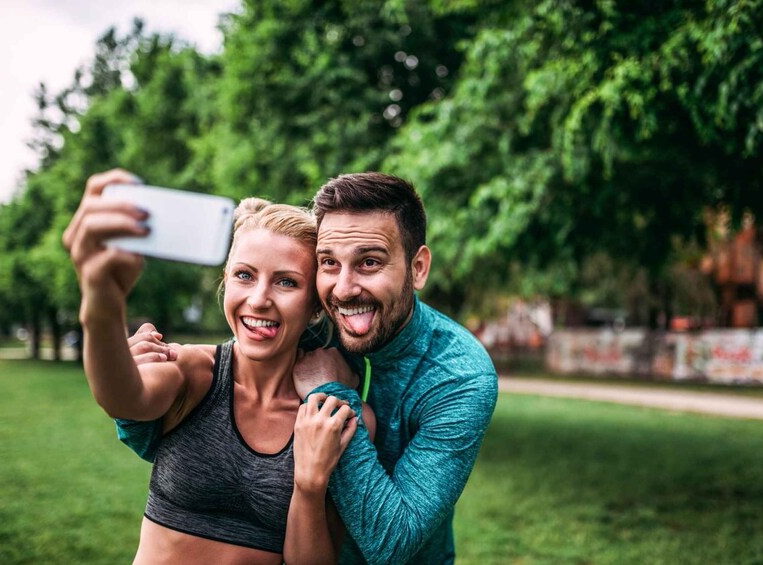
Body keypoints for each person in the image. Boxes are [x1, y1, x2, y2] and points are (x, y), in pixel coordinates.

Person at [130, 172, 499, 564]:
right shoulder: (316, 323)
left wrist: (332, 395)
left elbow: (392, 543)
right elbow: (171, 417)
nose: (343, 289)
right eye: (328, 263)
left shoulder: (460, 375)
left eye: (369, 262)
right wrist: (154, 364)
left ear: (418, 267)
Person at [62, 169, 366, 564]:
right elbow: (124, 396)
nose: (258, 299)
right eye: (245, 275)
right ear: (226, 281)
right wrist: (102, 297)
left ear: (315, 307)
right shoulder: (194, 372)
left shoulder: (333, 416)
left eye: (287, 282)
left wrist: (309, 484)